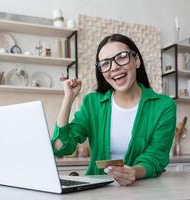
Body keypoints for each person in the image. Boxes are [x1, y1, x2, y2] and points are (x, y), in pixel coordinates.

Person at [51, 33, 176, 186]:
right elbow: (60, 147)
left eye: (122, 56)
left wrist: (134, 172)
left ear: (136, 60)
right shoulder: (92, 103)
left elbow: (155, 157)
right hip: (99, 192)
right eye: (105, 63)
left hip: (144, 190)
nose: (115, 67)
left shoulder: (163, 106)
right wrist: (68, 99)